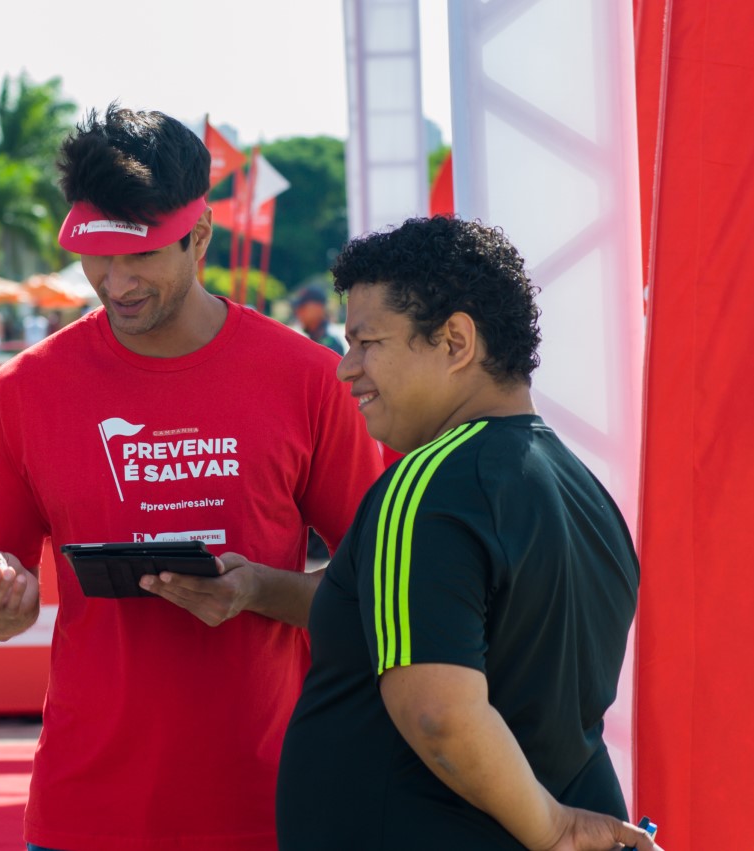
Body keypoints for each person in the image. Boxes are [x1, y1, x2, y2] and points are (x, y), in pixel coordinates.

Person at [0, 104, 384, 851]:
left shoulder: (308, 378)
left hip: (275, 804)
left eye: (141, 255)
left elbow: (379, 588)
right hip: (85, 816)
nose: (114, 283)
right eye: (96, 256)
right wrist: (0, 599)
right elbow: (3, 595)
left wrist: (256, 589)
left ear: (201, 237)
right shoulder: (24, 390)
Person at [276, 217, 659, 851]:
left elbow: (438, 713)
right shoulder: (584, 492)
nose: (346, 370)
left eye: (367, 342)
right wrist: (261, 590)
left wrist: (555, 827)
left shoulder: (426, 484)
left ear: (455, 341)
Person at [290, 283, 346, 355]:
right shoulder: (316, 338)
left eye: (303, 308)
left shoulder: (331, 342)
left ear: (318, 308)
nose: (298, 313)